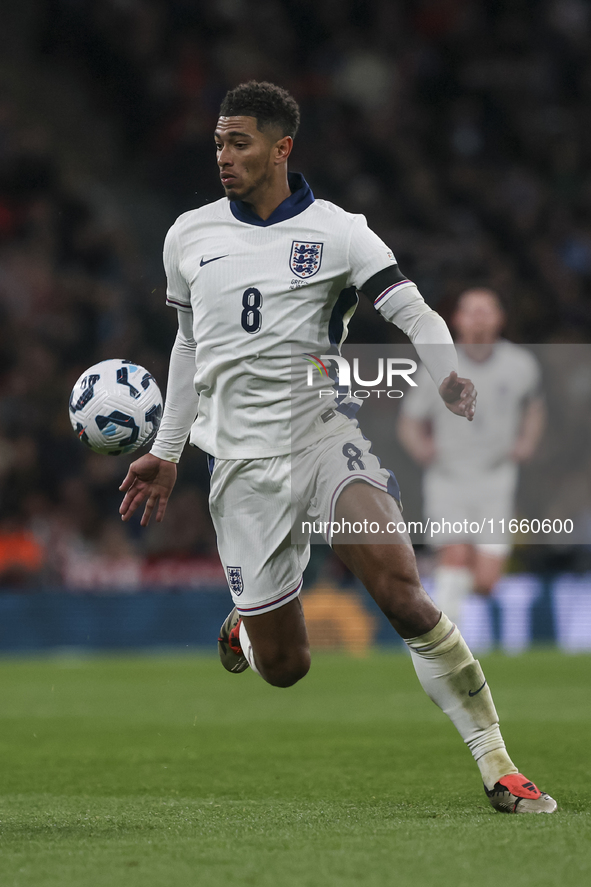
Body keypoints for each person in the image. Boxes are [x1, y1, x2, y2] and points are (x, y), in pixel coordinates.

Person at [119, 81, 555, 814]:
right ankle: (248, 629)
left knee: (401, 590)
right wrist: (167, 451)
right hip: (239, 466)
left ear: (280, 147)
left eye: (240, 142)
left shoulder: (340, 231)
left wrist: (445, 372)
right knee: (286, 666)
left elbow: (414, 312)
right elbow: (189, 345)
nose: (223, 156)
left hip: (324, 438)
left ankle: (498, 765)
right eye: (219, 142)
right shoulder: (187, 235)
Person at [398, 288, 545, 628]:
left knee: (486, 580)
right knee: (455, 553)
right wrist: (420, 447)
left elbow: (535, 408)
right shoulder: (438, 366)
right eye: (471, 310)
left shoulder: (521, 365)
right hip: (448, 476)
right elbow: (409, 420)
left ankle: (430, 577)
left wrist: (527, 441)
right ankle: (447, 645)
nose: (479, 317)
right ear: (457, 319)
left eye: (486, 310)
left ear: (499, 318)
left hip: (496, 477)